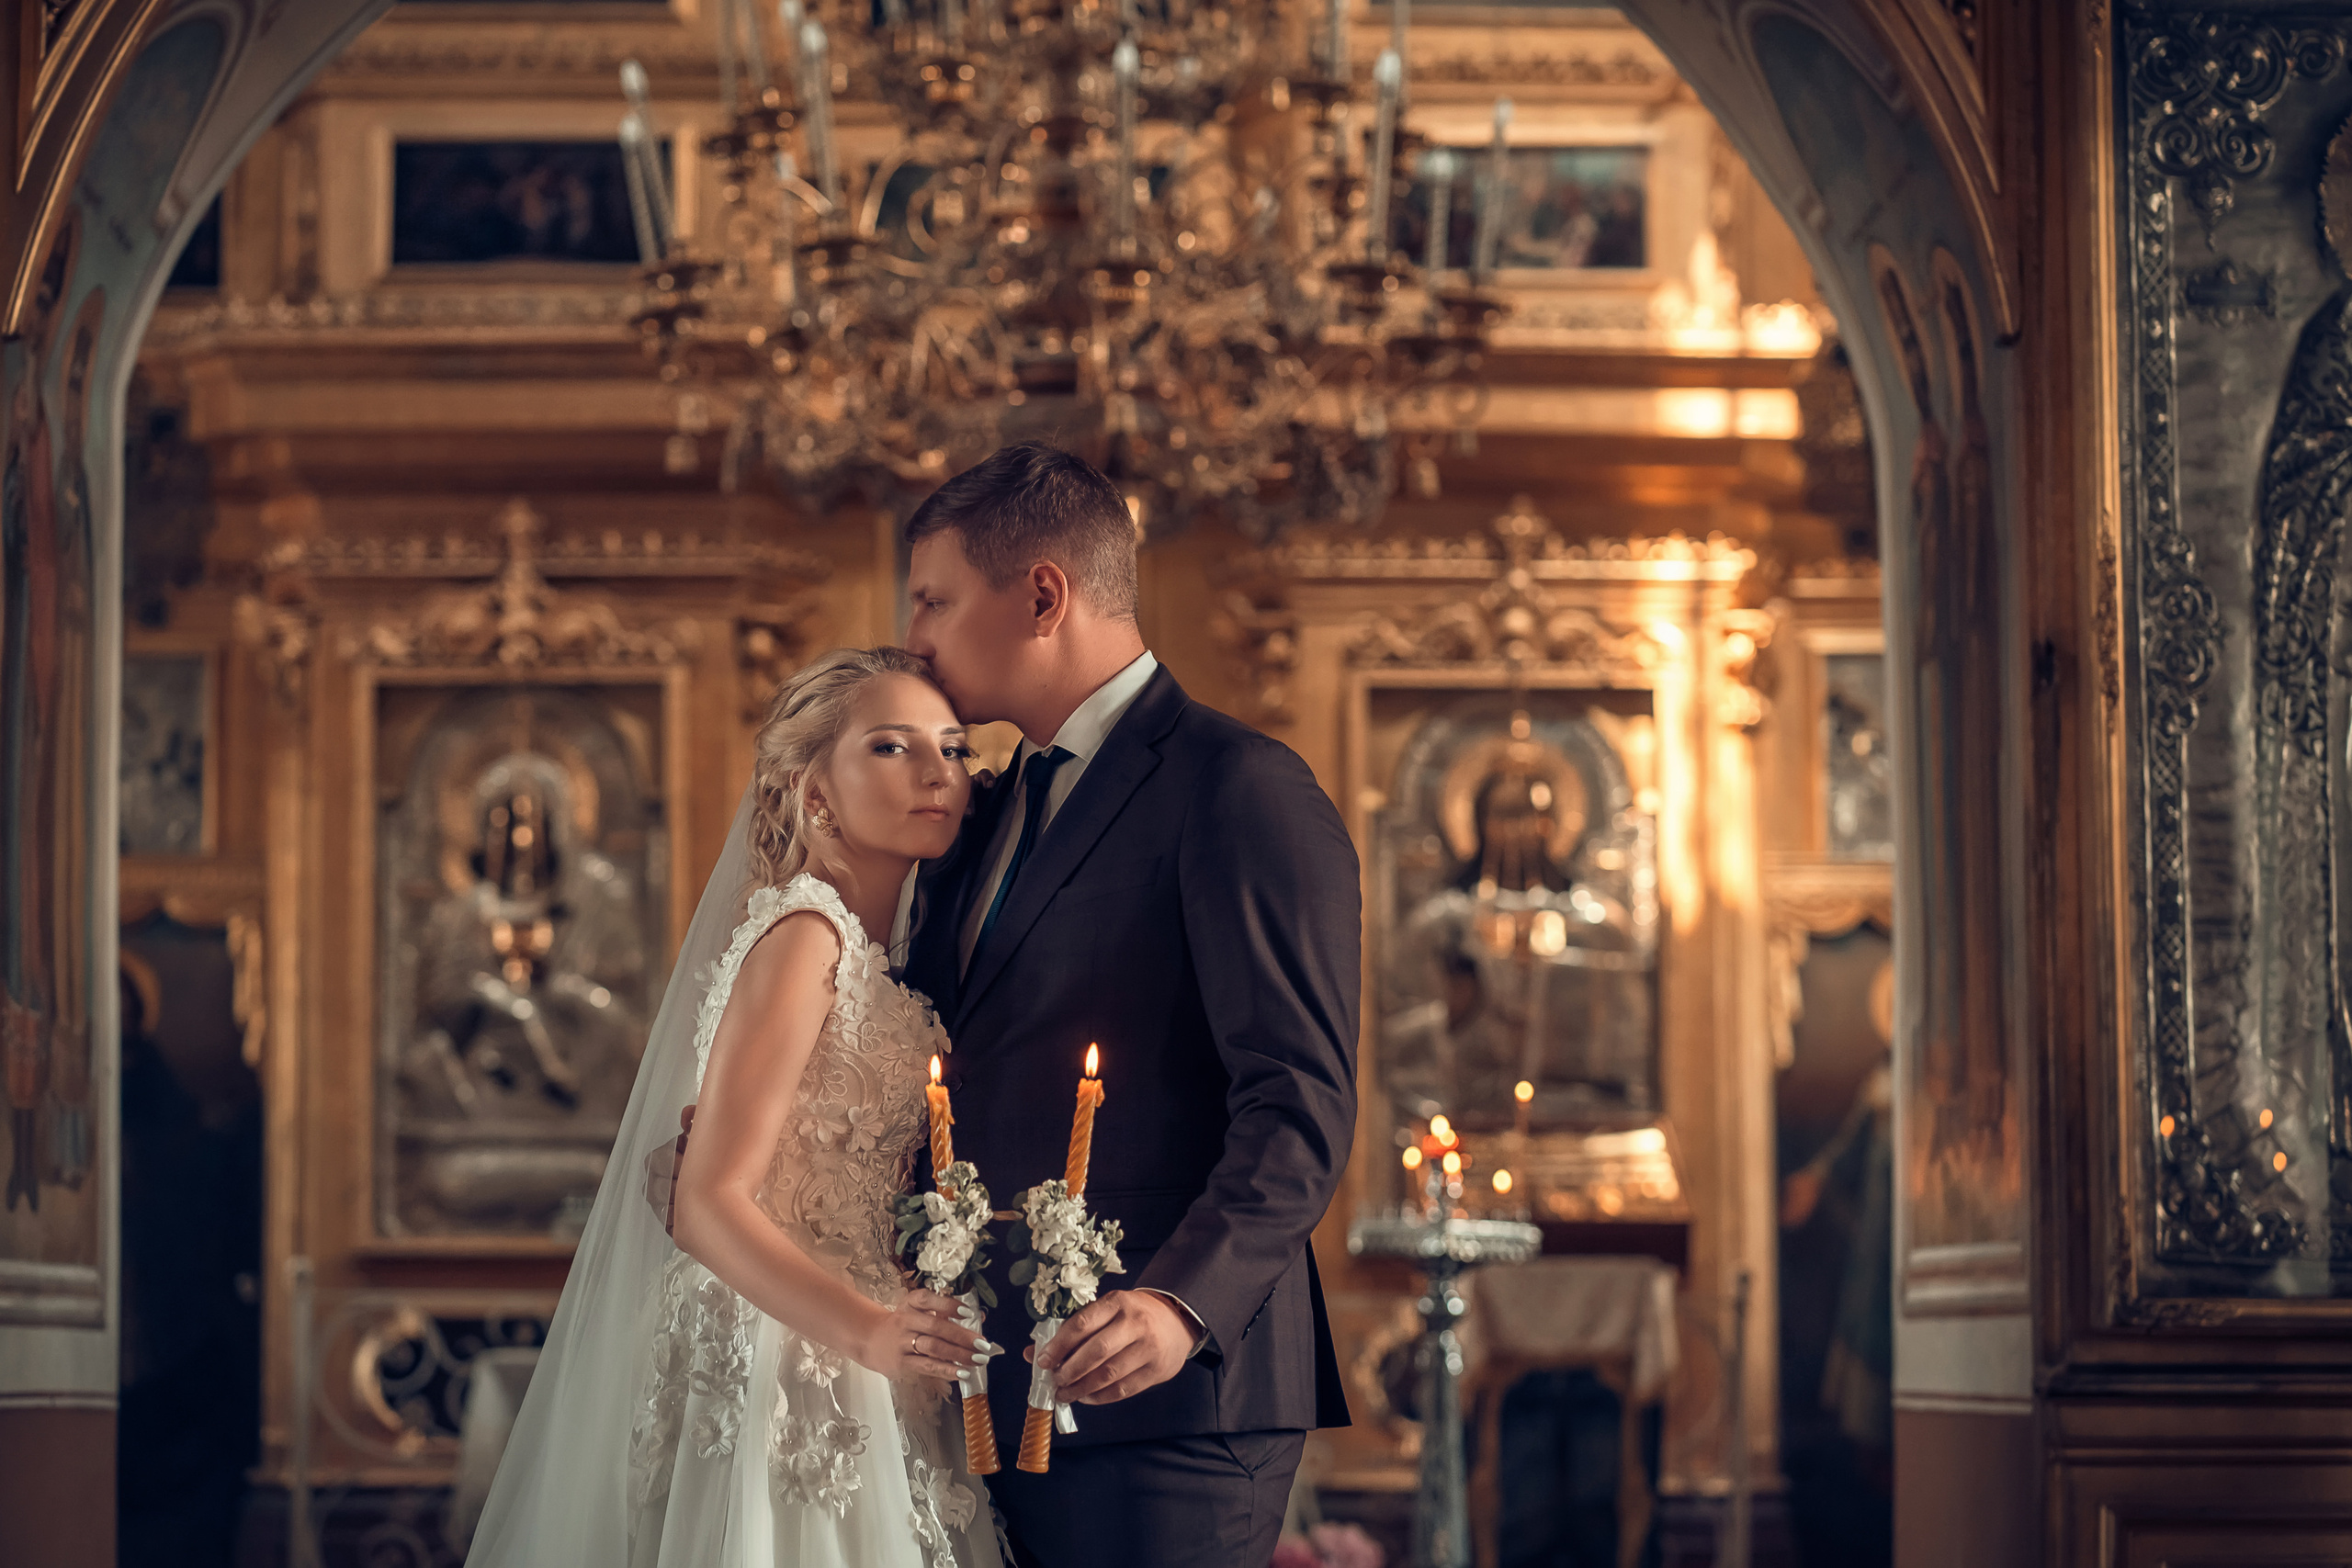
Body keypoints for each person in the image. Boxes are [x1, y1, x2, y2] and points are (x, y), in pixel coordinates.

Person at [896, 443, 1360, 1568]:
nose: (912, 638)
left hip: (1168, 1405)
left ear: (1041, 596)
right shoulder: (984, 807)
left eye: (933, 601)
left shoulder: (1237, 787)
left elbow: (1297, 1103)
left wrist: (1178, 1306)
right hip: (983, 1388)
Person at [466, 648, 1004, 1568]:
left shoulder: (869, 948)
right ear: (814, 792)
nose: (937, 773)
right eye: (891, 746)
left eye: (952, 748)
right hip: (782, 1353)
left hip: (857, 1339)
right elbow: (707, 1200)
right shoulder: (806, 937)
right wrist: (868, 1329)